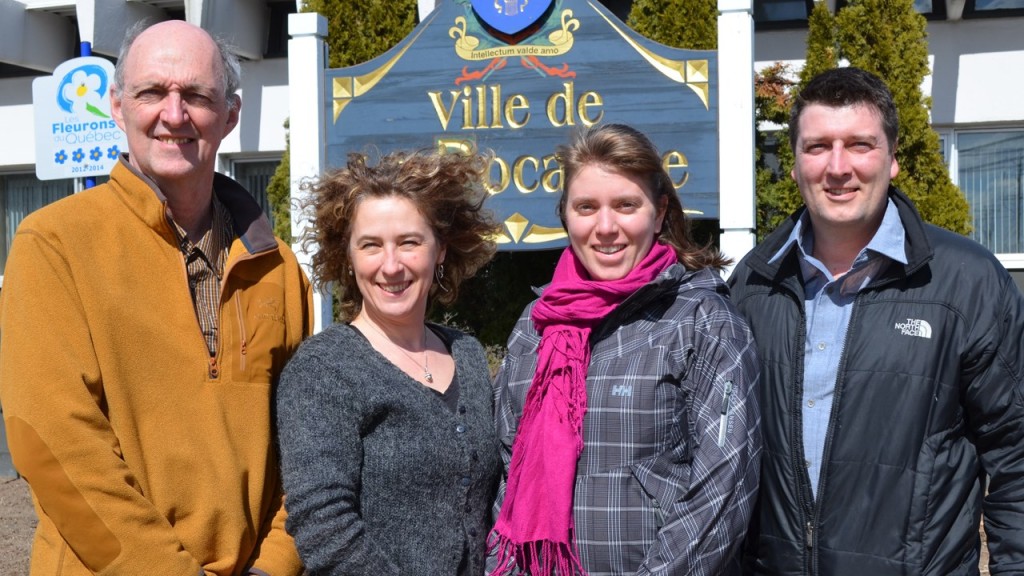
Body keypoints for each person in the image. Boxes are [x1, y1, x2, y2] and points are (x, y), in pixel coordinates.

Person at [0, 20, 311, 576]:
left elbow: (310, 446)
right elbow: (49, 445)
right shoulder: (54, 244)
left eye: (197, 95)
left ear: (230, 115)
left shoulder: (278, 269)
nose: (174, 113)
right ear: (118, 108)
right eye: (151, 92)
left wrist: (276, 566)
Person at [728, 66, 1024, 574]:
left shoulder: (966, 283)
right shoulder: (752, 287)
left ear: (892, 159)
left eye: (859, 145)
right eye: (817, 147)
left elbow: (1016, 455)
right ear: (794, 164)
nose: (837, 167)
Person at [488, 123, 762, 576]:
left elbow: (723, 488)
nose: (605, 227)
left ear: (659, 213)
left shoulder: (701, 320)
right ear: (565, 215)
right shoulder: (535, 325)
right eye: (586, 207)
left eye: (626, 205)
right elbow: (505, 476)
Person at [275, 149, 502, 576]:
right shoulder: (323, 370)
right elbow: (323, 526)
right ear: (348, 256)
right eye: (371, 246)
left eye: (409, 242)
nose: (391, 265)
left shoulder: (468, 355)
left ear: (440, 250)